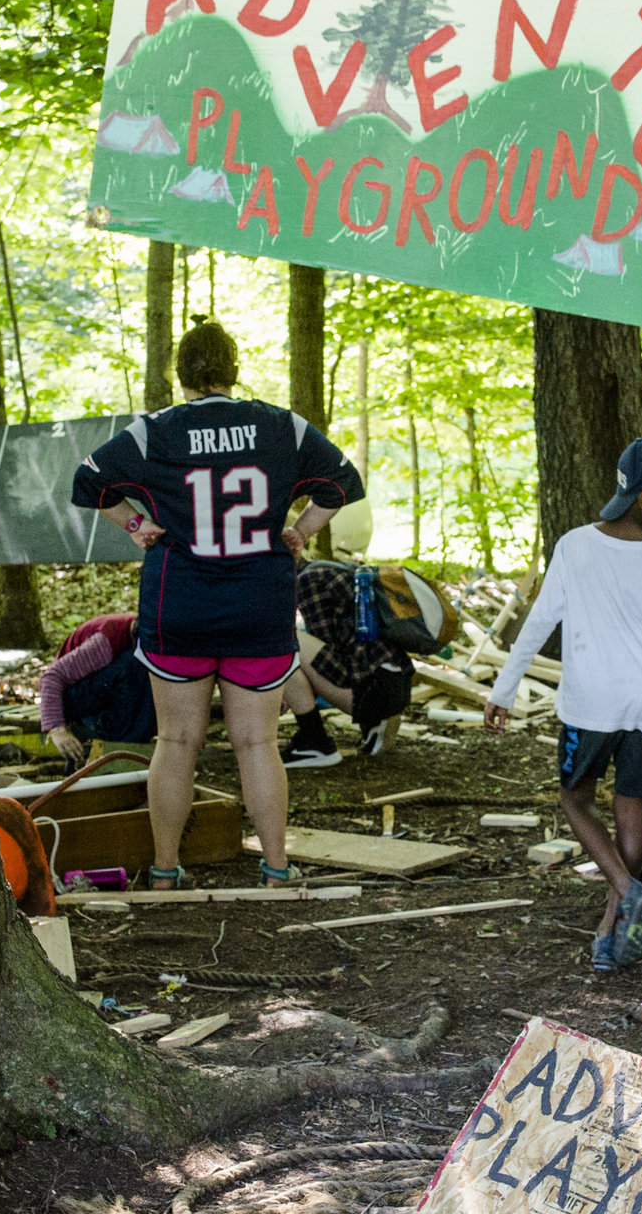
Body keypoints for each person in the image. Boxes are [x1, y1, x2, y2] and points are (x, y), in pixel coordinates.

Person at [70, 321, 363, 888]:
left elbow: (89, 481)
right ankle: (276, 868)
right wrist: (301, 527)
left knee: (176, 742)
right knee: (258, 742)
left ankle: (163, 871)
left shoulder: (155, 432)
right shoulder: (282, 427)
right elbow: (342, 482)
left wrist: (134, 522)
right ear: (235, 368)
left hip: (177, 606)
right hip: (260, 606)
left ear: (180, 375)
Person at [484, 438, 642, 972]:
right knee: (633, 807)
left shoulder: (575, 546)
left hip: (590, 707)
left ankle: (625, 895)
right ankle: (613, 925)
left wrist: (503, 689)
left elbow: (538, 623)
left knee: (574, 800)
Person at [277, 557, 415, 765]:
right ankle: (374, 722)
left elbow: (324, 656)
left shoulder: (307, 581)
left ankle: (315, 743)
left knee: (279, 643)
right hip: (397, 682)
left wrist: (287, 685)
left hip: (374, 692)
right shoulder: (329, 568)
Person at [39, 612, 157, 763]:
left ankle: (130, 742)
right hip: (69, 699)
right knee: (135, 663)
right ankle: (120, 747)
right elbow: (50, 678)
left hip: (101, 690)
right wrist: (57, 730)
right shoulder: (104, 642)